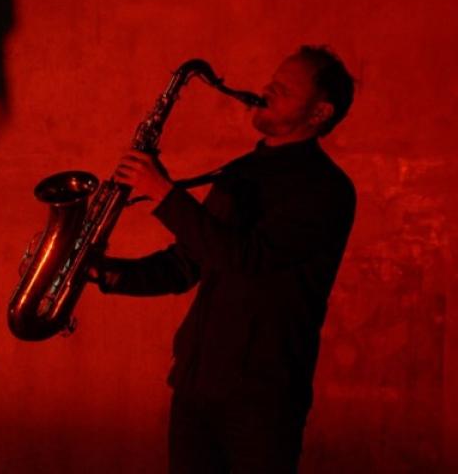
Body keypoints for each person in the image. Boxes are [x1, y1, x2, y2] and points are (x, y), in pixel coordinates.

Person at [88, 45, 357, 473]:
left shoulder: (326, 190)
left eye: (285, 90)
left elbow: (246, 258)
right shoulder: (241, 172)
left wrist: (164, 193)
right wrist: (103, 272)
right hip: (198, 383)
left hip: (263, 398)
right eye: (272, 80)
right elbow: (186, 264)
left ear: (320, 112)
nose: (267, 89)